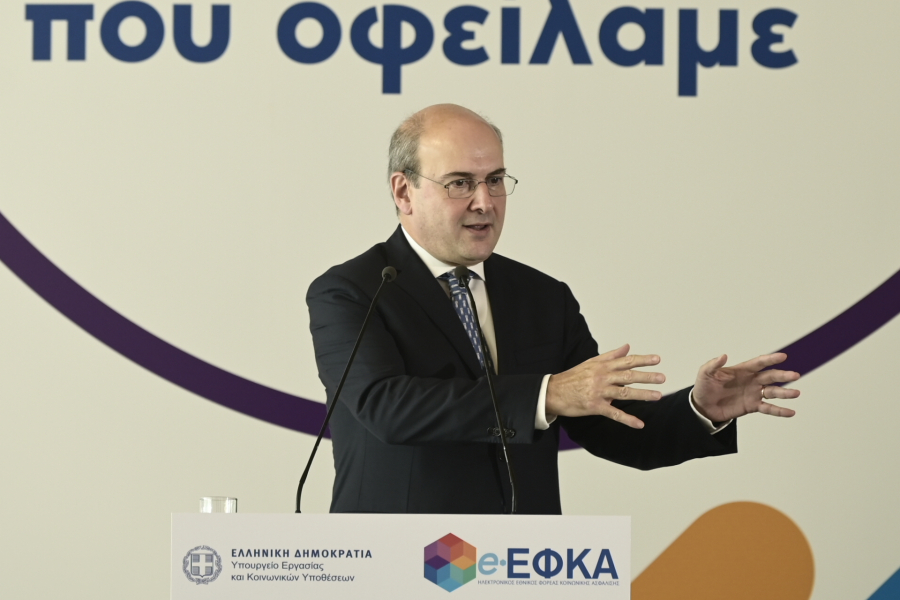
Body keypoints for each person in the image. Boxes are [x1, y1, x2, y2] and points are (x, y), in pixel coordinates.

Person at [306, 104, 800, 514]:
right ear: (403, 192)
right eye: (459, 183)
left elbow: (614, 428)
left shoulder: (542, 296)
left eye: (495, 179)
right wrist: (546, 394)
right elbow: (387, 409)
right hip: (394, 566)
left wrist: (699, 410)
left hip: (522, 569)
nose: (485, 202)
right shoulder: (351, 291)